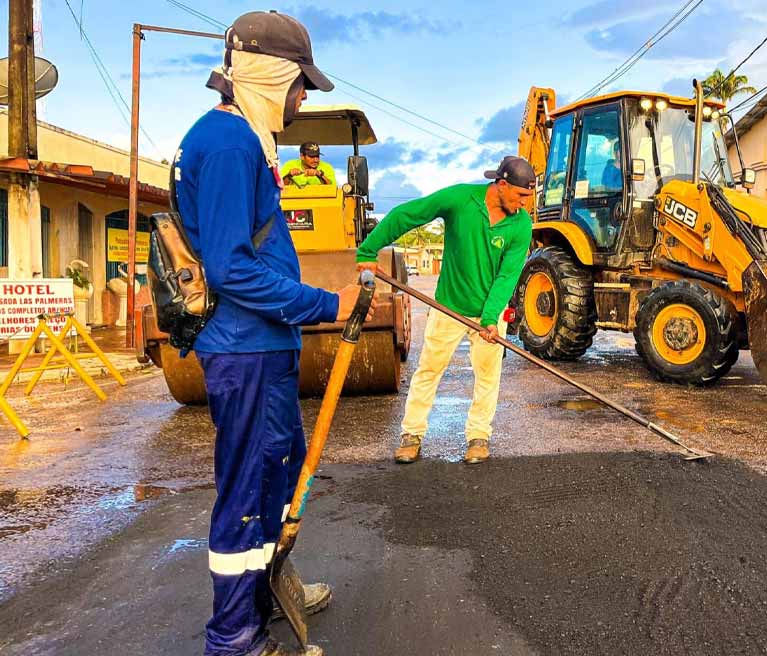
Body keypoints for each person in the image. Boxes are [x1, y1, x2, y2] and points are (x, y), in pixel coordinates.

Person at [177, 11, 359, 656]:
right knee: (249, 489)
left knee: (273, 477)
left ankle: (265, 593)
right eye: (299, 82)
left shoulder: (246, 142)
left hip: (263, 346)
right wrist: (323, 301)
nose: (304, 97)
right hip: (244, 347)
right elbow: (230, 268)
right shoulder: (228, 144)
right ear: (266, 72)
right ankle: (234, 639)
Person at [356, 156, 535, 465]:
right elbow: (408, 214)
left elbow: (507, 277)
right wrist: (369, 249)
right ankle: (412, 434)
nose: (524, 204)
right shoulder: (460, 199)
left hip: (488, 314)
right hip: (448, 306)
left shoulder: (521, 225)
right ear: (502, 185)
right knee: (428, 370)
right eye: (521, 196)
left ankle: (479, 436)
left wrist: (491, 318)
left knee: (488, 376)